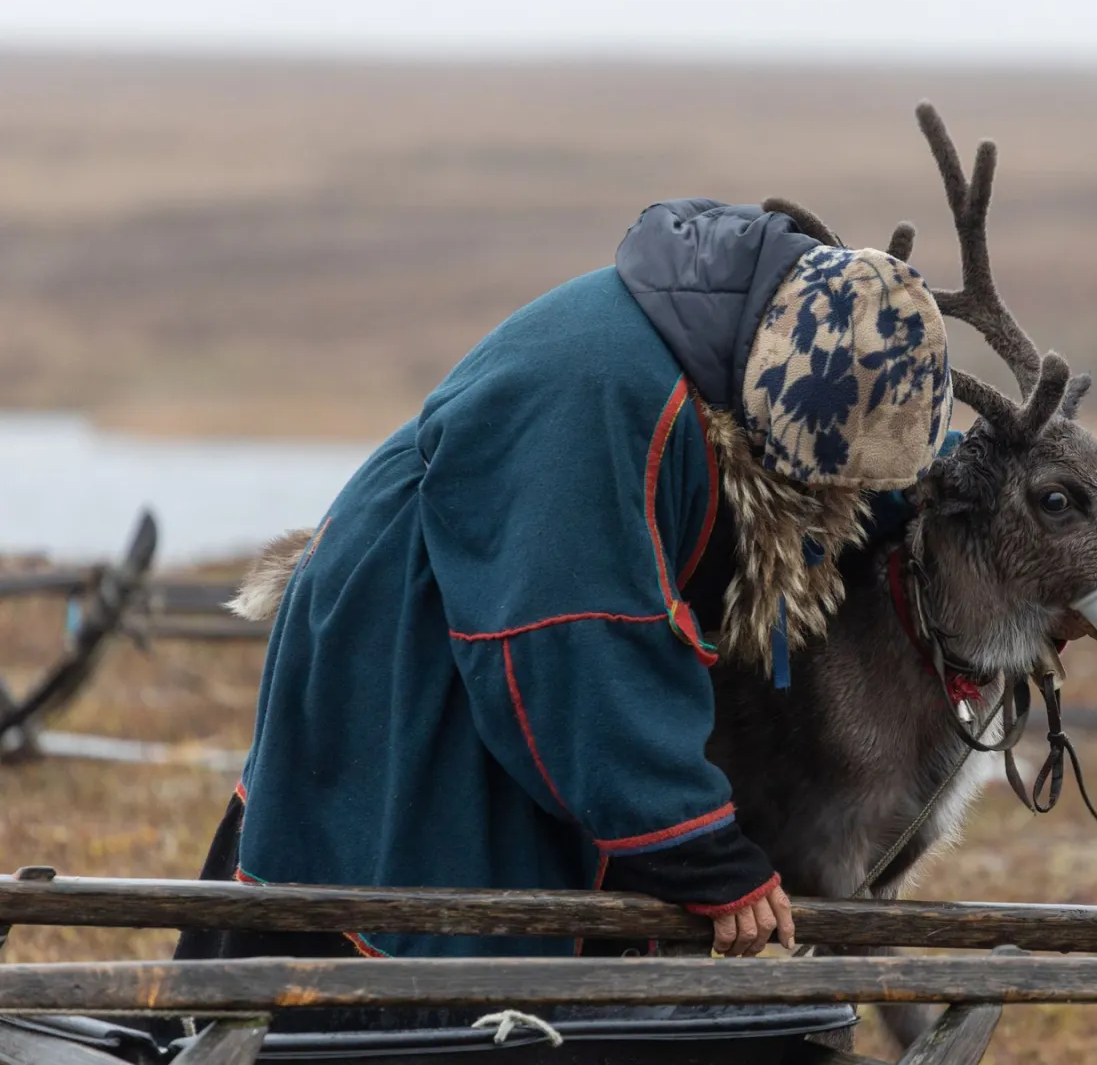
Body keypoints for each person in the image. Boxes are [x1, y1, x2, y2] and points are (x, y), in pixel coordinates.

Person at [176, 198, 956, 967]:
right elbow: (577, 647)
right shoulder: (604, 398)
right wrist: (702, 854)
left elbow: (847, 470)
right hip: (412, 644)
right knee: (415, 914)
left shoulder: (746, 343)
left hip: (486, 616)